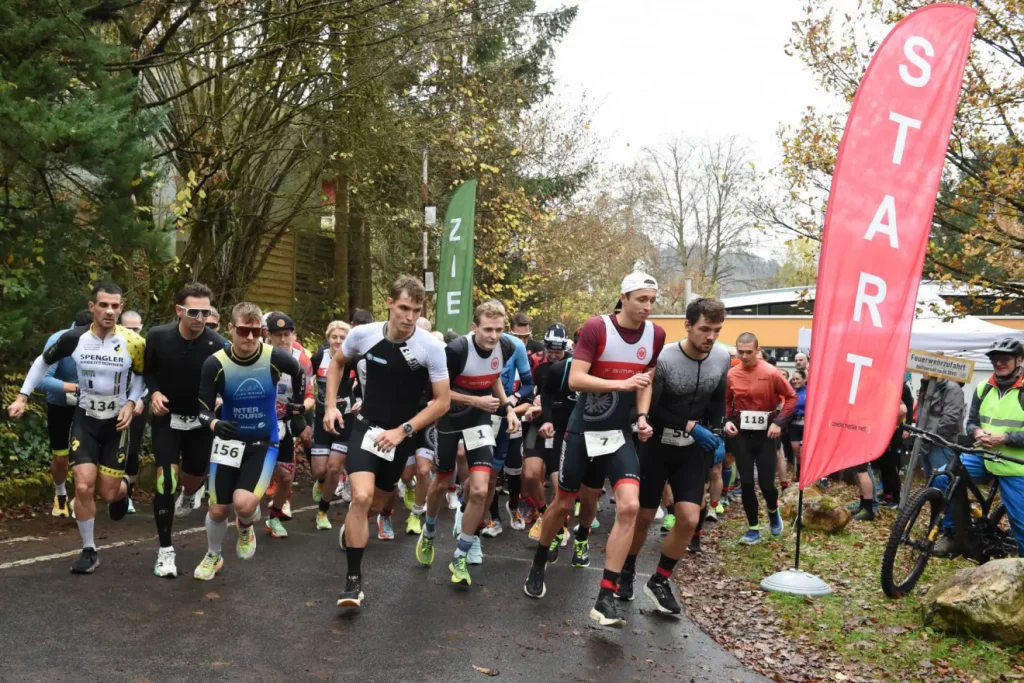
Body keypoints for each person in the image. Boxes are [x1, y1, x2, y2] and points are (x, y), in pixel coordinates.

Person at [523, 272, 666, 629]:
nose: (647, 307)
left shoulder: (656, 335)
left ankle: (605, 596)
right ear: (624, 297)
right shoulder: (597, 328)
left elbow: (645, 381)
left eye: (652, 300)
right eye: (641, 299)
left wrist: (644, 415)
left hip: (618, 433)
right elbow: (576, 379)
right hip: (582, 430)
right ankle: (540, 560)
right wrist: (622, 383)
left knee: (630, 506)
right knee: (562, 504)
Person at [324, 275, 450, 609]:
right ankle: (353, 583)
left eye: (416, 310)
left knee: (377, 504)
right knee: (361, 497)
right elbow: (337, 364)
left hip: (401, 437)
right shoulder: (362, 336)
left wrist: (403, 431)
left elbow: (442, 402)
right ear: (390, 304)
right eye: (404, 308)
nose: (409, 316)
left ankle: (356, 527)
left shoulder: (430, 348)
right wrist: (329, 406)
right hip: (365, 428)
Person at [8, 283, 144, 573]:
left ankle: (124, 489)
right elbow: (41, 363)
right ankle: (88, 550)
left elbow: (144, 376)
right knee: (82, 485)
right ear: (92, 307)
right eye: (104, 305)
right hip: (84, 419)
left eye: (115, 306)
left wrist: (132, 402)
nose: (109, 311)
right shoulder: (73, 338)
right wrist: (23, 396)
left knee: (108, 494)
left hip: (116, 425)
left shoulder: (133, 341)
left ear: (121, 308)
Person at [623, 298, 729, 613]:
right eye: (704, 329)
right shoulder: (665, 358)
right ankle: (627, 568)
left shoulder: (722, 356)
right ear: (688, 326)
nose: (710, 337)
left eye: (717, 330)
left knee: (689, 518)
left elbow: (718, 401)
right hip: (657, 445)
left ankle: (659, 579)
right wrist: (689, 425)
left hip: (692, 450)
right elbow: (650, 406)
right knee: (643, 517)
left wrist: (718, 434)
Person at [191, 302, 306, 580]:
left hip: (262, 441)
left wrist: (297, 407)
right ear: (231, 329)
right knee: (217, 509)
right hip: (229, 441)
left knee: (243, 504)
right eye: (244, 330)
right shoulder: (215, 363)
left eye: (256, 331)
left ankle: (245, 526)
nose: (250, 338)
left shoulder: (275, 357)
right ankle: (213, 555)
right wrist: (216, 423)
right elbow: (201, 410)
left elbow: (300, 374)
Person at [420, 300, 521, 585]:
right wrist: (475, 399)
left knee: (480, 488)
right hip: (450, 420)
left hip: (478, 421)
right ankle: (428, 532)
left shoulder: (508, 347)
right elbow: (436, 392)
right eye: (488, 329)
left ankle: (461, 554)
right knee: (441, 482)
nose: (493, 336)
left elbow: (493, 378)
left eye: (499, 330)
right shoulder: (456, 350)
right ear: (474, 327)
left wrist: (509, 408)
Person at [144, 283, 226, 577]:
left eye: (205, 312)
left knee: (192, 477)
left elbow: (226, 379)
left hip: (200, 421)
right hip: (168, 417)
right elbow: (148, 371)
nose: (200, 318)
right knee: (166, 480)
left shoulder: (217, 344)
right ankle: (165, 550)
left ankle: (192, 492)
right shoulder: (157, 336)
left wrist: (219, 397)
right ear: (179, 311)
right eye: (194, 312)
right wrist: (153, 393)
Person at [930, 337, 1024, 557]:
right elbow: (971, 421)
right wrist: (976, 432)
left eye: (1005, 359)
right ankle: (953, 534)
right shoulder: (983, 388)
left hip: (1016, 466)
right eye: (994, 359)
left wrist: (1006, 438)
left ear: (1018, 360)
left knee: (1021, 524)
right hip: (986, 455)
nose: (999, 363)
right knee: (945, 477)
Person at [17, 309, 93, 518]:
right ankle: (60, 494)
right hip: (60, 405)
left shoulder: (101, 339)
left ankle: (81, 497)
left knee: (86, 455)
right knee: (61, 457)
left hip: (88, 406)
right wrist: (73, 388)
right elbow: (42, 379)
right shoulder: (60, 339)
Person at [726, 332, 796, 545]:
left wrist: (779, 422)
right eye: (741, 352)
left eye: (749, 352)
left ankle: (773, 511)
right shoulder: (732, 374)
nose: (745, 356)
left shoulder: (771, 372)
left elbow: (792, 398)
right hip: (742, 434)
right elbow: (726, 402)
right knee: (746, 483)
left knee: (766, 484)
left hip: (766, 433)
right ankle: (753, 529)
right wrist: (727, 420)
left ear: (758, 351)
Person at [263, 312, 315, 538]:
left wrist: (300, 410)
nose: (283, 340)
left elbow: (311, 395)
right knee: (257, 473)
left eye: (287, 335)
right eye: (277, 335)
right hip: (260, 421)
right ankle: (245, 514)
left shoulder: (302, 360)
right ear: (268, 336)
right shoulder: (257, 354)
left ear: (294, 334)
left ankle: (274, 517)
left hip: (285, 421)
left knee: (285, 476)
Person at [521, 324, 571, 536]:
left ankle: (558, 521)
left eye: (558, 352)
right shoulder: (536, 362)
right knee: (531, 474)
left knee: (558, 482)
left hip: (562, 427)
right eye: (550, 350)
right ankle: (543, 513)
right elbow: (526, 390)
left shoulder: (573, 364)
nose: (553, 355)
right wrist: (531, 405)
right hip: (537, 424)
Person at [309, 321, 353, 531]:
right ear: (328, 338)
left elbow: (365, 382)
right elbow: (306, 381)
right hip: (321, 417)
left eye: (342, 337)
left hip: (345, 419)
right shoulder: (319, 357)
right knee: (320, 471)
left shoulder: (354, 358)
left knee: (334, 467)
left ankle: (322, 510)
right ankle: (320, 481)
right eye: (334, 337)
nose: (338, 341)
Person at [121, 310, 147, 514]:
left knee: (132, 451)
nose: (131, 332)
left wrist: (142, 399)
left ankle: (127, 496)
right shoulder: (109, 346)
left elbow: (150, 377)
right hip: (113, 405)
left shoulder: (146, 348)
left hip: (137, 406)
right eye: (127, 328)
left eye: (135, 329)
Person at [917, 374, 966, 479]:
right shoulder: (928, 386)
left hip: (942, 444)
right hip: (927, 442)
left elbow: (950, 420)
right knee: (931, 482)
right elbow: (922, 413)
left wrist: (932, 437)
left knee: (942, 482)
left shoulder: (952, 388)